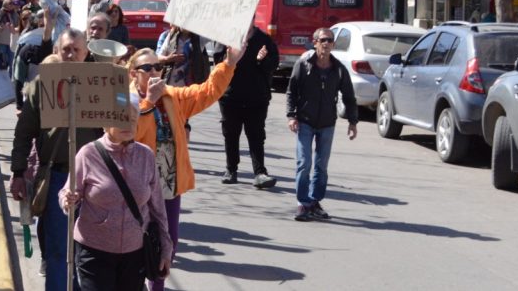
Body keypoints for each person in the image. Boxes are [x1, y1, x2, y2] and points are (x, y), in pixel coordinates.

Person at [130, 44, 241, 291]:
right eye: (147, 68)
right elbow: (128, 132)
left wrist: (229, 64)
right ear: (133, 73)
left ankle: (156, 286)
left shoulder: (172, 96)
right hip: (135, 184)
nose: (154, 72)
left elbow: (206, 92)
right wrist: (149, 101)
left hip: (168, 184)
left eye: (158, 67)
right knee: (135, 241)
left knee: (167, 241)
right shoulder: (125, 98)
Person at [10, 28, 102, 291]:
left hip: (95, 181)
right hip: (58, 178)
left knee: (90, 254)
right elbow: (24, 132)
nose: (71, 55)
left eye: (77, 50)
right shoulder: (42, 85)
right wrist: (18, 172)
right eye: (66, 50)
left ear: (86, 54)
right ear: (57, 52)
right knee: (58, 251)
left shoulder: (101, 84)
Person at [60, 104, 172, 291]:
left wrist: (166, 248)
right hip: (94, 251)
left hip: (134, 252)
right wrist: (68, 199)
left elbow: (158, 208)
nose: (127, 124)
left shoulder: (146, 156)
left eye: (132, 119)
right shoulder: (88, 154)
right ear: (105, 124)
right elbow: (68, 191)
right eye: (121, 119)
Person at [286, 27, 358, 222]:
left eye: (330, 41)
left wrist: (353, 122)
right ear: (315, 42)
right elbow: (292, 91)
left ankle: (315, 202)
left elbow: (349, 96)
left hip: (327, 123)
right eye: (323, 40)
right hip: (305, 121)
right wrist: (291, 116)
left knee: (321, 166)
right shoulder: (303, 65)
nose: (327, 44)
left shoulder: (339, 69)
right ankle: (303, 203)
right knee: (304, 163)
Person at [219, 24, 280, 188]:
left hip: (257, 97)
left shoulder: (264, 39)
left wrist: (262, 60)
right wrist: (229, 57)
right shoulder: (228, 37)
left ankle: (260, 173)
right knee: (231, 134)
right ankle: (231, 170)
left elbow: (274, 65)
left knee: (256, 136)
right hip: (230, 96)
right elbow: (218, 64)